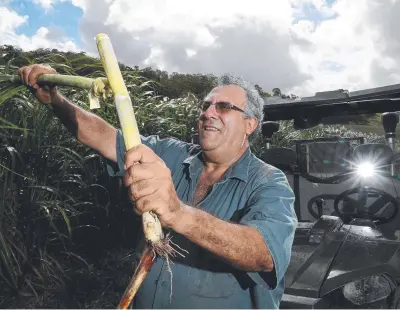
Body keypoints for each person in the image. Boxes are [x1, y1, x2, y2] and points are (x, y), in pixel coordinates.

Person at [18, 64, 298, 309]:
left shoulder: (269, 181)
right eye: (205, 106)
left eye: (223, 107)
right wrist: (55, 99)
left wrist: (177, 212)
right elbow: (105, 138)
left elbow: (263, 254)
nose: (208, 113)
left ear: (250, 124)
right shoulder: (171, 154)